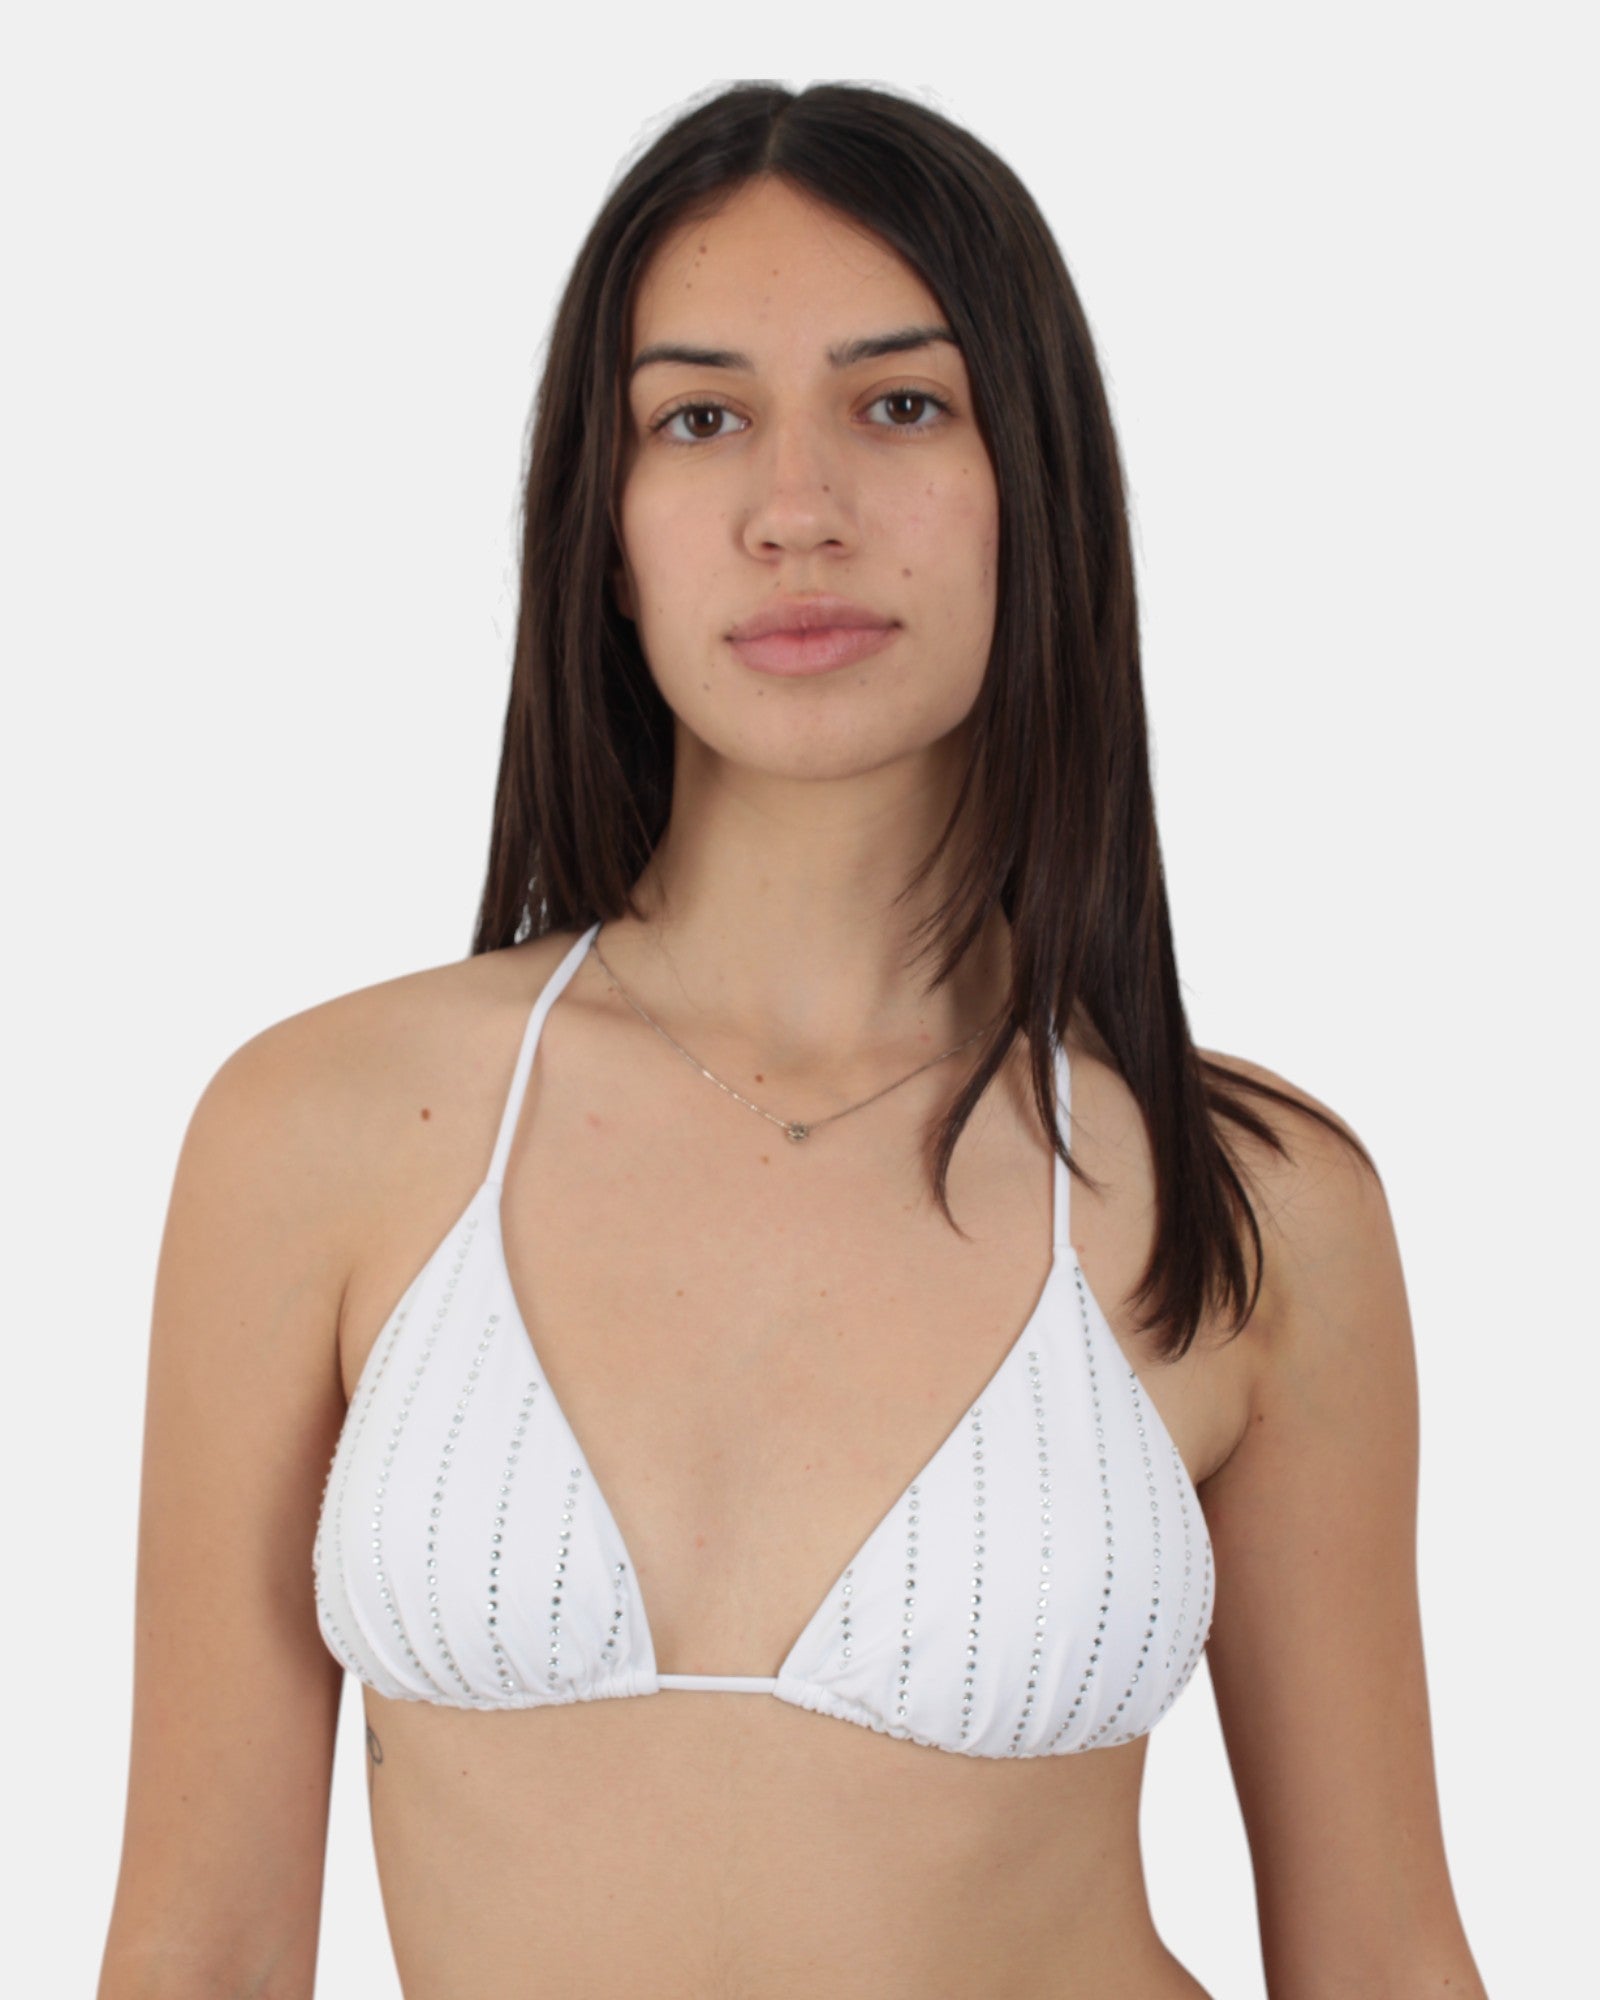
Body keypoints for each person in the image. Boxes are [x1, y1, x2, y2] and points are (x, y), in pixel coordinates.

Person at [97, 79, 1489, 2000]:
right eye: (700, 417)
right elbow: (200, 1948)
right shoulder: (324, 1133)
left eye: (900, 404)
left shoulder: (1250, 1201)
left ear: (1036, 492)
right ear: (607, 532)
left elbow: (1385, 1959)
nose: (799, 510)